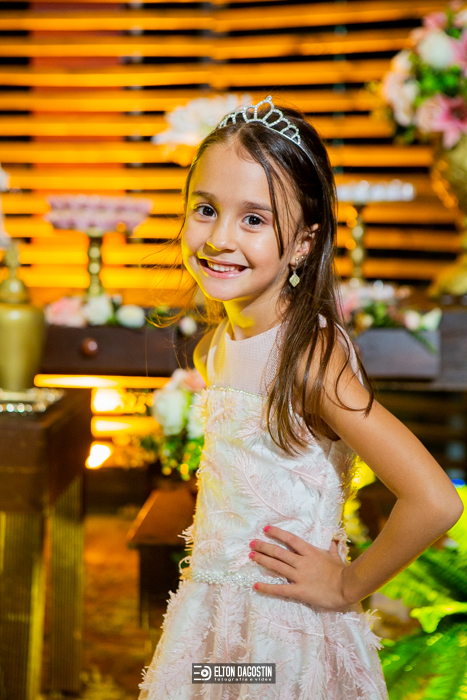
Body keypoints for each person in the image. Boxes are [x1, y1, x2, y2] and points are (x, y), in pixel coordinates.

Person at [139, 96, 463, 699]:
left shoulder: (309, 359)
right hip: (215, 629)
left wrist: (346, 585)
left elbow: (434, 499)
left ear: (304, 243)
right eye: (206, 209)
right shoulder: (215, 346)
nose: (219, 238)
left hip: (284, 635)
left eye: (254, 220)